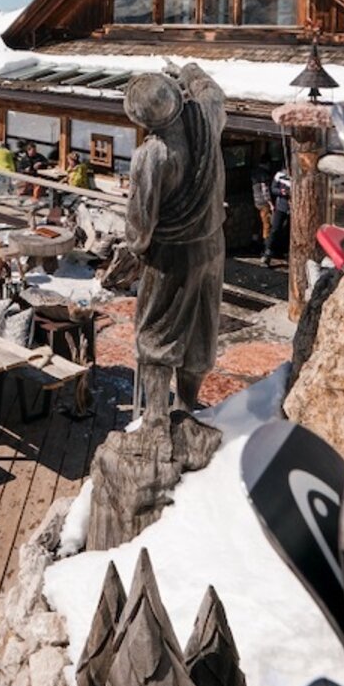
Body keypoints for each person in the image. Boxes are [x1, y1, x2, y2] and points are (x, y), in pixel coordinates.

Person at [106, 64, 227, 424]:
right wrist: (189, 70)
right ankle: (187, 407)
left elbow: (140, 223)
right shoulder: (207, 120)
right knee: (202, 326)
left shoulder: (153, 155)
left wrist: (135, 251)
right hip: (212, 246)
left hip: (171, 255)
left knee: (158, 330)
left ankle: (156, 414)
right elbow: (213, 91)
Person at [264, 169, 293, 267]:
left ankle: (288, 254)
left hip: (294, 209)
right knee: (275, 229)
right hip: (281, 207)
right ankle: (268, 253)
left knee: (290, 231)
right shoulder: (280, 174)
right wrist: (281, 191)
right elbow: (273, 188)